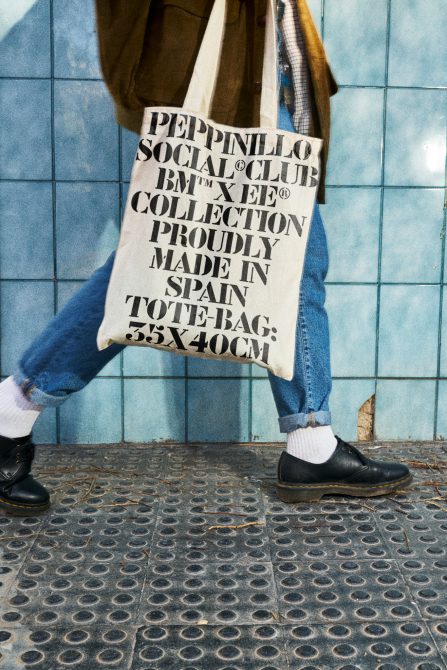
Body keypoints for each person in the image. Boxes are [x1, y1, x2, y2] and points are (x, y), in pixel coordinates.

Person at [0, 0, 412, 515]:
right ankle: (12, 408)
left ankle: (311, 438)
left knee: (291, 262)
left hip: (269, 82)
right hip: (223, 91)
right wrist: (150, 87)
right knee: (153, 266)